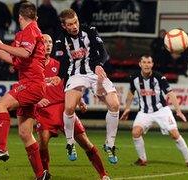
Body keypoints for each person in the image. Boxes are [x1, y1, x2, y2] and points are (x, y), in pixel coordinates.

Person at [0, 2, 50, 179]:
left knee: (1, 104)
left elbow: (25, 53)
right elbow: (15, 59)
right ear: (35, 16)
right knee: (25, 133)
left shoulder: (31, 30)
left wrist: (1, 44)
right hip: (30, 83)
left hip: (32, 83)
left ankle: (2, 149)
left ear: (19, 17)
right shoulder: (24, 33)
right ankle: (41, 174)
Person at [36, 34, 110, 180]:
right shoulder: (32, 67)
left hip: (63, 108)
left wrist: (80, 101)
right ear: (38, 45)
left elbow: (71, 85)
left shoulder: (59, 65)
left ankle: (103, 174)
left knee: (85, 142)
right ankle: (45, 174)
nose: (48, 45)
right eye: (44, 42)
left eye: (50, 42)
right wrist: (36, 101)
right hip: (44, 111)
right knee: (42, 142)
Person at [52, 9, 120, 164]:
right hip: (76, 75)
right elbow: (62, 63)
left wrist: (99, 65)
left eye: (75, 22)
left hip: (95, 72)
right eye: (70, 24)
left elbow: (103, 53)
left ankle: (109, 144)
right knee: (69, 108)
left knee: (115, 105)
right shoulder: (60, 40)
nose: (74, 26)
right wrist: (59, 76)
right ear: (64, 26)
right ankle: (70, 143)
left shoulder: (90, 31)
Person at [120, 55, 188, 168]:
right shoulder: (134, 77)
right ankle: (142, 159)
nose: (146, 65)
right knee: (135, 132)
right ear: (140, 64)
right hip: (144, 112)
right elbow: (131, 92)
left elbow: (170, 93)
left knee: (174, 134)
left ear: (152, 64)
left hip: (161, 110)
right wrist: (127, 108)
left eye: (149, 62)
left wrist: (178, 111)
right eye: (144, 62)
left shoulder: (159, 77)